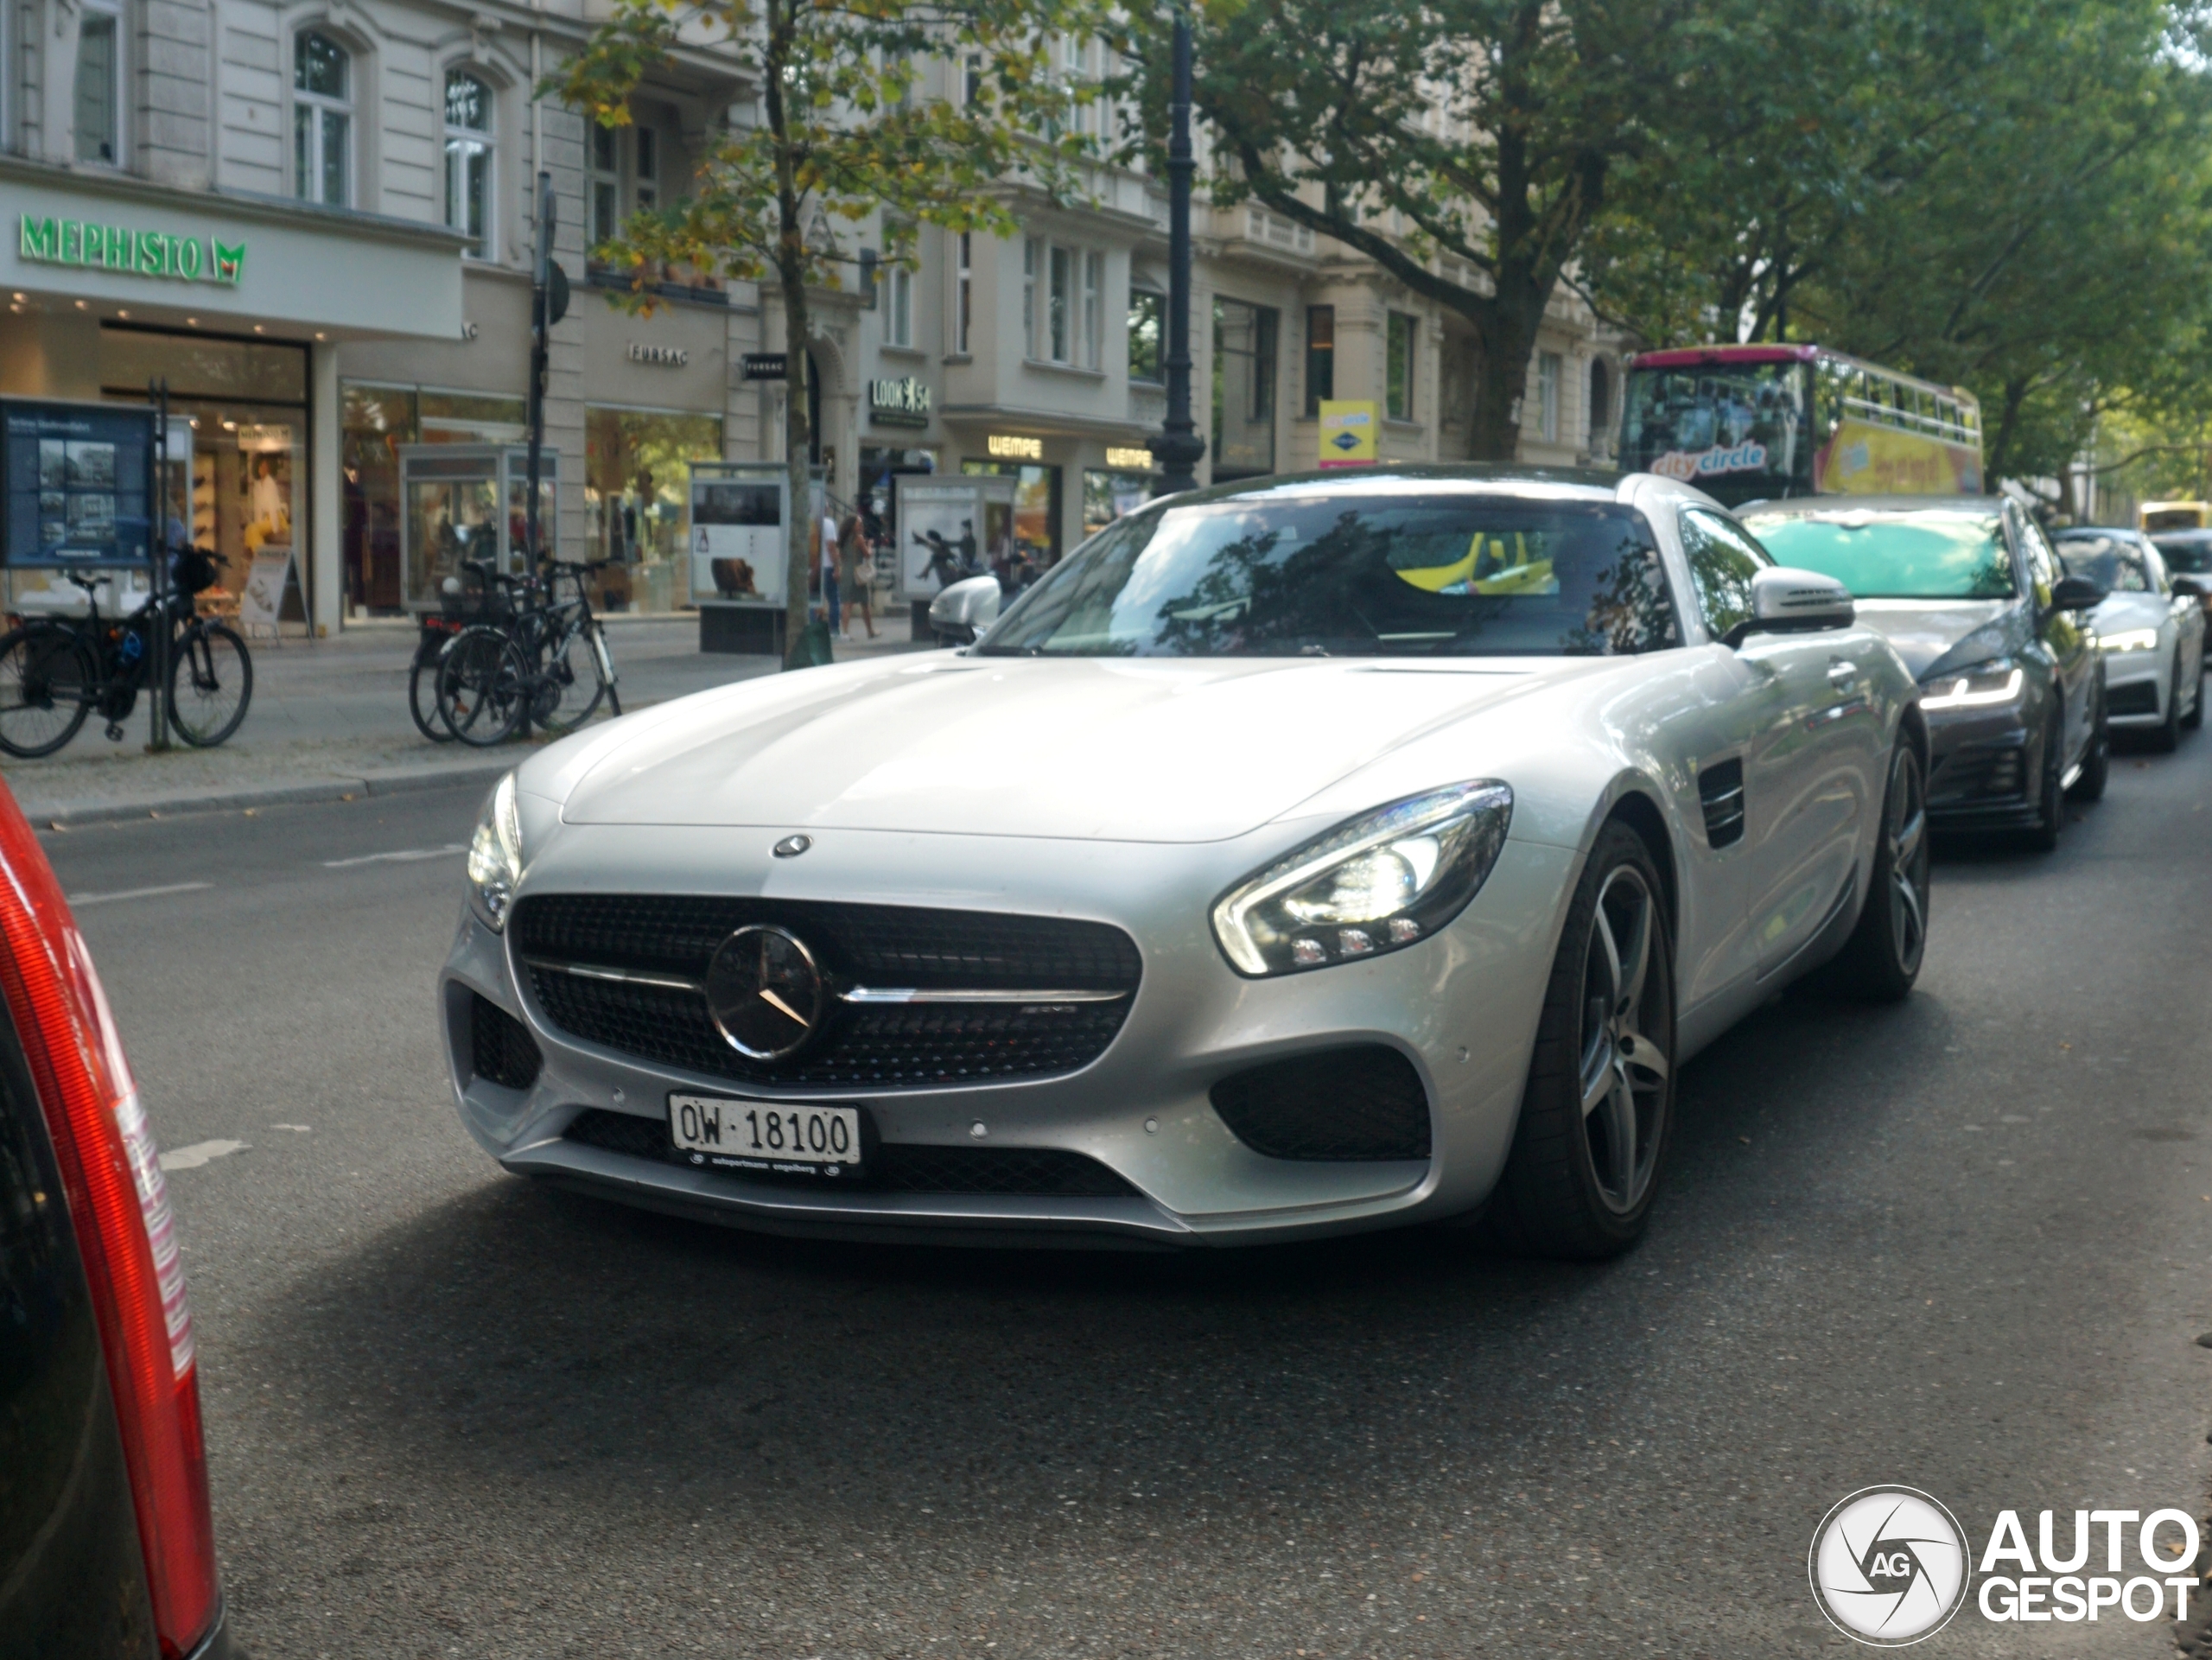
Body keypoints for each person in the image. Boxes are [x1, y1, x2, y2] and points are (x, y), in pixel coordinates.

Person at [838, 511, 878, 639]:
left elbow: (841, 556)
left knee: (847, 604)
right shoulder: (858, 538)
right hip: (857, 574)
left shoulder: (844, 538)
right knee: (864, 604)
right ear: (853, 525)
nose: (861, 527)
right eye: (859, 524)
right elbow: (867, 554)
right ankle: (870, 630)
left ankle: (844, 632)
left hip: (846, 571)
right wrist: (870, 545)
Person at [820, 506, 842, 636]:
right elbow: (831, 547)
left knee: (813, 598)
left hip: (813, 567)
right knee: (833, 599)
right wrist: (837, 567)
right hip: (827, 565)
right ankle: (834, 630)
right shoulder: (828, 523)